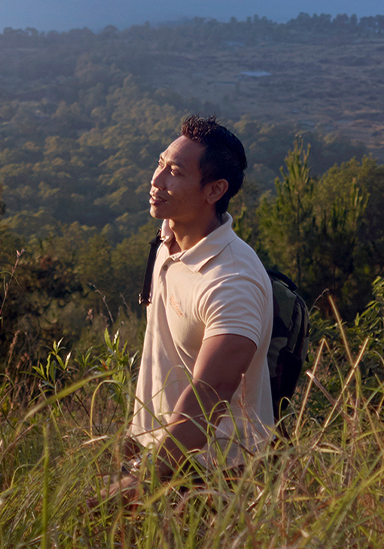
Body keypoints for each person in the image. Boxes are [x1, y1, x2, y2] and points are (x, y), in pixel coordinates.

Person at [110, 114, 273, 500]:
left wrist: (138, 485)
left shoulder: (232, 281)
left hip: (212, 477)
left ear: (214, 190)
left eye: (175, 172)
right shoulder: (169, 237)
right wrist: (135, 445)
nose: (157, 179)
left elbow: (209, 393)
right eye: (160, 163)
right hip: (161, 458)